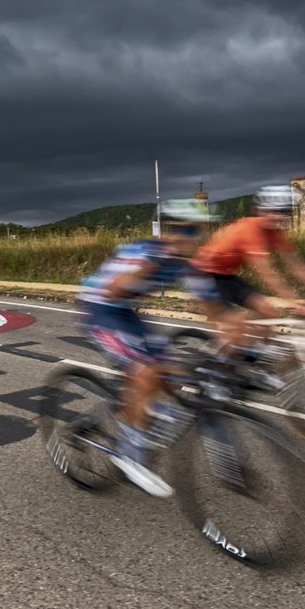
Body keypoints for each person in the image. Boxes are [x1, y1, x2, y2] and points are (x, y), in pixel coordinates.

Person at [77, 198, 219, 497]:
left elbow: (213, 309)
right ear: (169, 230)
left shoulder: (188, 265)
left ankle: (124, 412)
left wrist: (238, 338)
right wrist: (150, 267)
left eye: (196, 231)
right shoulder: (144, 251)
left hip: (126, 313)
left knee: (174, 375)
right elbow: (114, 289)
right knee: (146, 372)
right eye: (183, 230)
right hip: (99, 308)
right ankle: (128, 455)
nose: (189, 238)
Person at [186, 185, 305, 360]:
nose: (280, 217)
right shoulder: (249, 230)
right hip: (202, 274)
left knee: (268, 310)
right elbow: (267, 273)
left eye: (285, 212)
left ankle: (251, 363)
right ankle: (220, 370)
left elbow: (297, 265)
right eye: (275, 211)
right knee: (236, 325)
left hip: (225, 275)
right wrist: (297, 305)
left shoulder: (276, 233)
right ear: (262, 210)